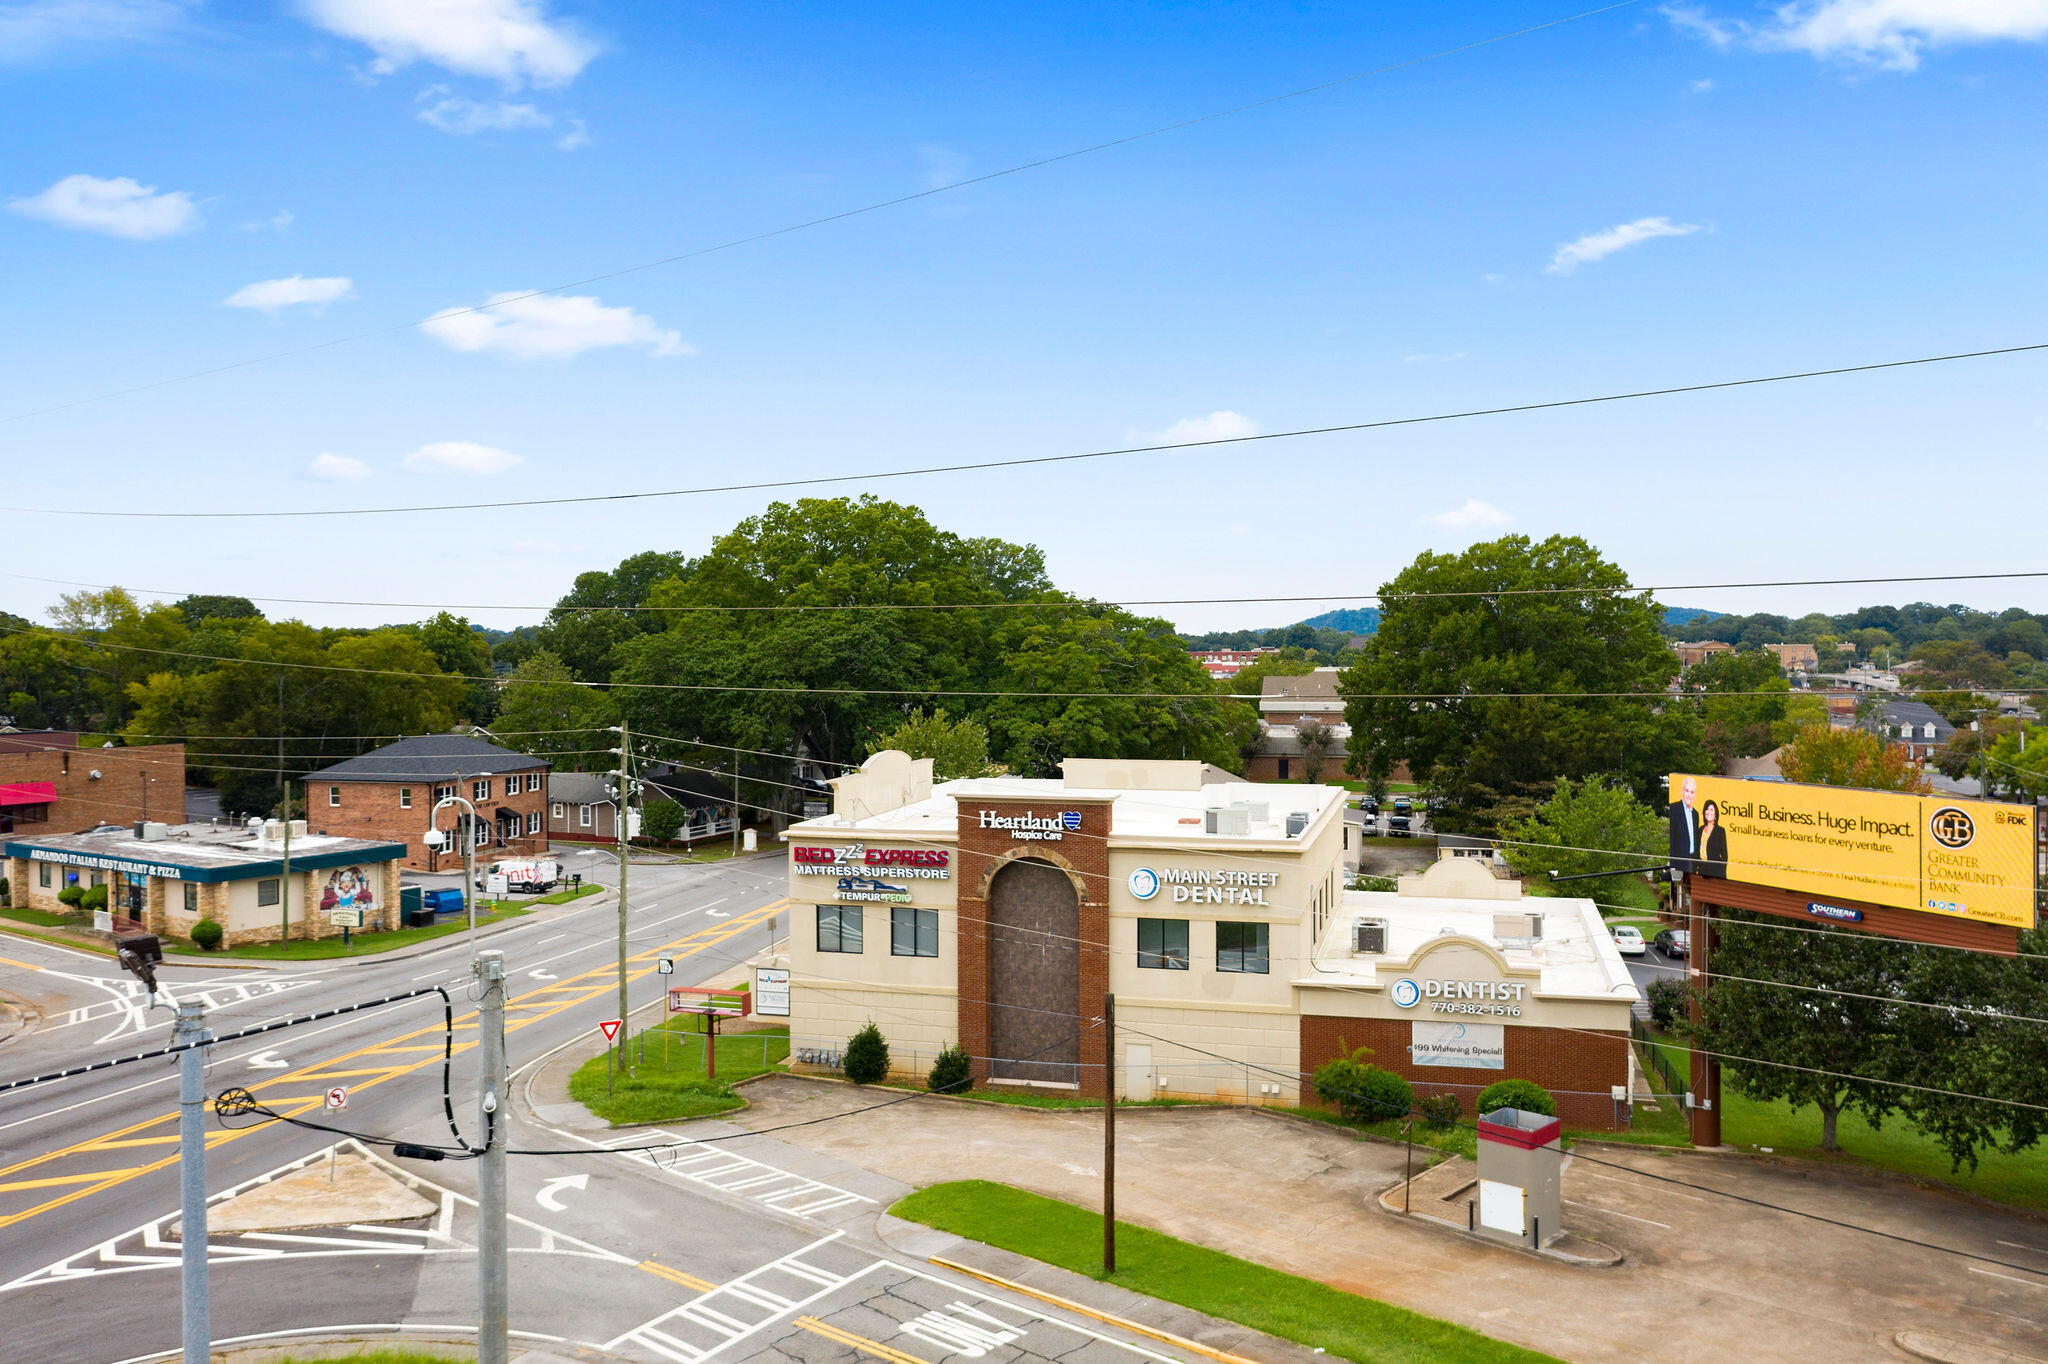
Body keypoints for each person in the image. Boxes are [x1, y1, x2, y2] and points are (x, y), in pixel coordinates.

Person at [1667, 776, 1701, 873]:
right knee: (1678, 886)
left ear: (1694, 795)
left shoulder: (1695, 814)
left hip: (1692, 862)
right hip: (1678, 863)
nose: (1689, 795)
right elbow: (1671, 839)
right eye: (1687, 791)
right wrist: (1672, 864)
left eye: (1692, 792)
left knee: (1690, 887)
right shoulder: (1673, 809)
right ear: (1682, 791)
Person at [1698, 799, 1728, 879]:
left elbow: (1724, 855)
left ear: (1715, 814)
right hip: (1702, 870)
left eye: (1711, 810)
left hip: (1715, 872)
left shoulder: (1720, 831)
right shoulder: (1700, 830)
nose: (1708, 812)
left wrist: (1721, 874)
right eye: (1707, 809)